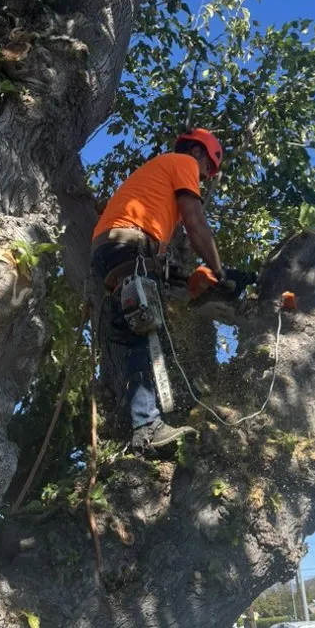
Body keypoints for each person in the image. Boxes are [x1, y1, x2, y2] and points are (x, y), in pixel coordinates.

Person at [91, 128, 235, 451]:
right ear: (198, 153)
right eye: (207, 171)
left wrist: (183, 280)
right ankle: (147, 428)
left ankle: (138, 424)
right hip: (129, 245)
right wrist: (219, 271)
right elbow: (195, 223)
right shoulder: (183, 163)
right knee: (147, 332)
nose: (204, 178)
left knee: (132, 337)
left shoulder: (157, 179)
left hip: (106, 252)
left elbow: (159, 258)